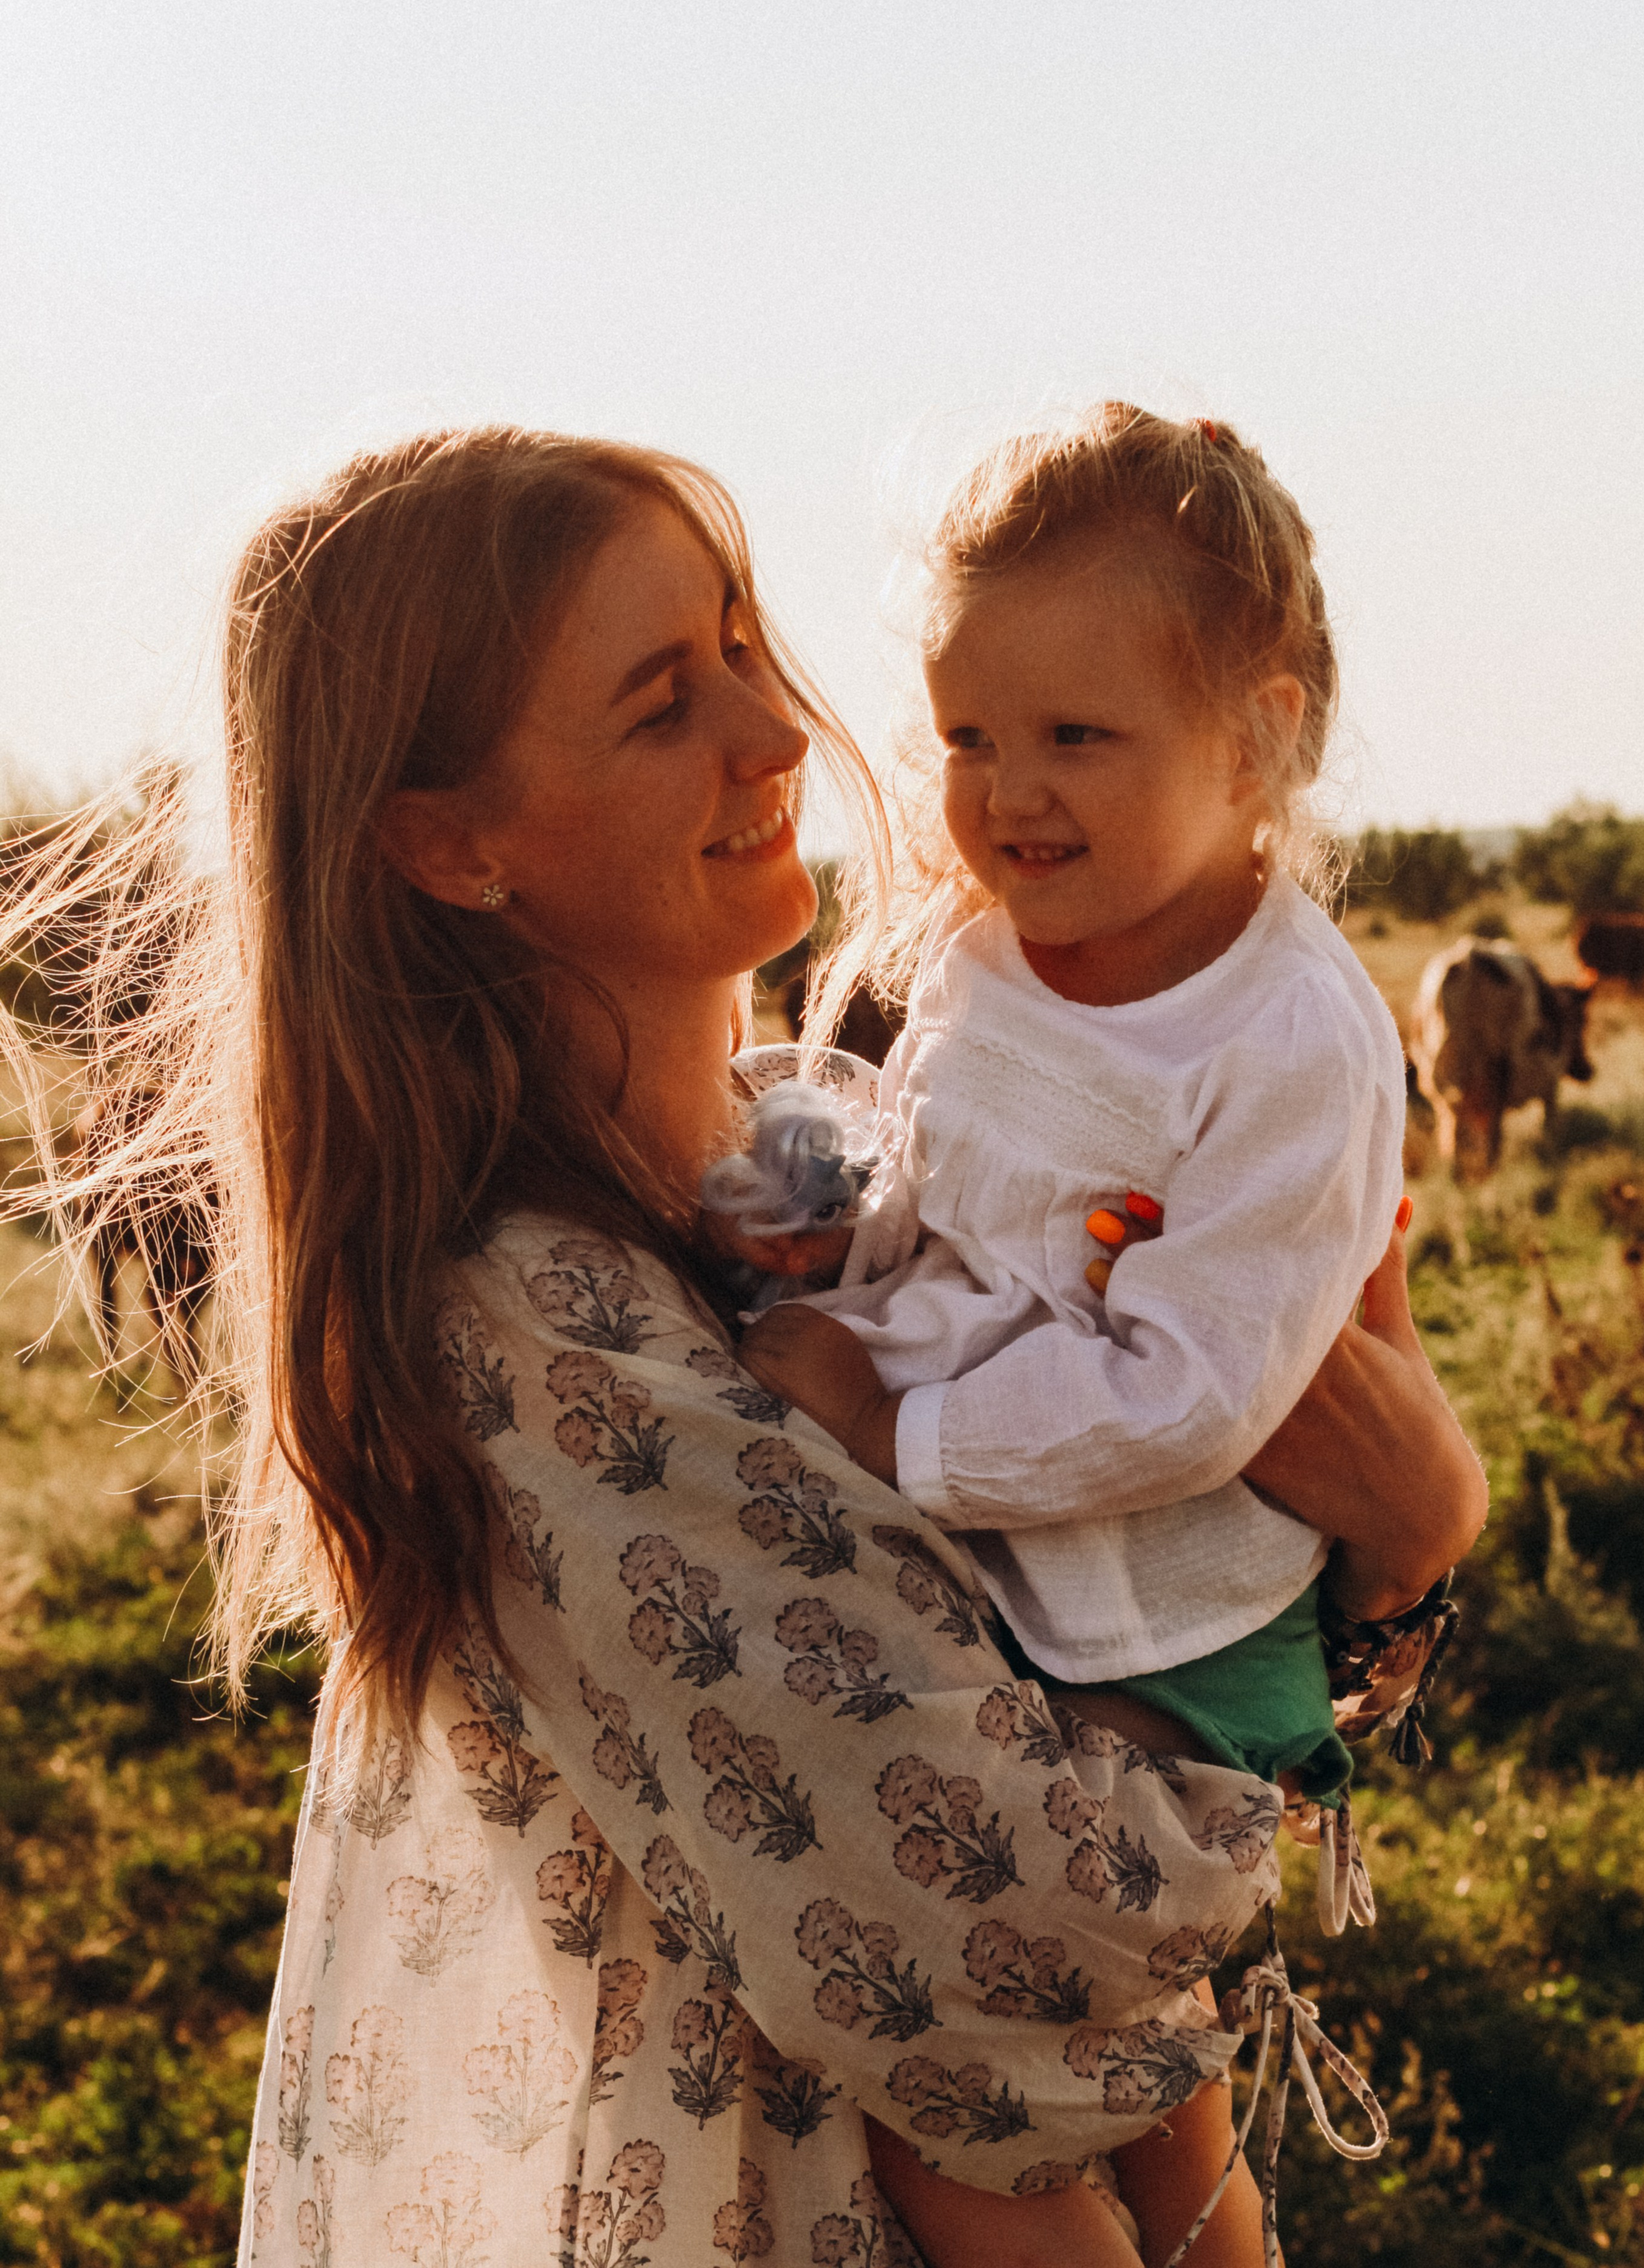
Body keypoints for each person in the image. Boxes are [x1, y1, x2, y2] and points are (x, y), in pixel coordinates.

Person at [3, 426, 1486, 2268]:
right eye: (658, 706)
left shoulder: (821, 1164)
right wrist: (1400, 1554)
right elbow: (1015, 1918)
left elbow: (1123, 1603)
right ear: (451, 844)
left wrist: (1389, 1549)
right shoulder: (533, 1323)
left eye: (739, 646)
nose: (780, 734)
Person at [727, 405, 1466, 2261]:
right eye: (970, 736)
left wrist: (895, 1436)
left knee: (982, 2096)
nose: (1007, 792)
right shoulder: (974, 955)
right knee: (1148, 2099)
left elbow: (1202, 1391)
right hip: (1032, 1583)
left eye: (1076, 736)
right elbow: (936, 1190)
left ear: (1260, 740)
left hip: (1176, 1620)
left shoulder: (1288, 1034)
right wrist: (809, 1217)